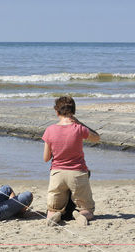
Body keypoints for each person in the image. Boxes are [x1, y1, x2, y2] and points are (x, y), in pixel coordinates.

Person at [43, 96, 100, 226]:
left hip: (57, 174)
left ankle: (55, 215)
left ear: (57, 112)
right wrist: (80, 123)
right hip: (77, 173)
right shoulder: (79, 128)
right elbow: (97, 137)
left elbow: (46, 158)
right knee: (88, 209)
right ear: (73, 111)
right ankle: (80, 214)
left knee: (52, 209)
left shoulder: (50, 130)